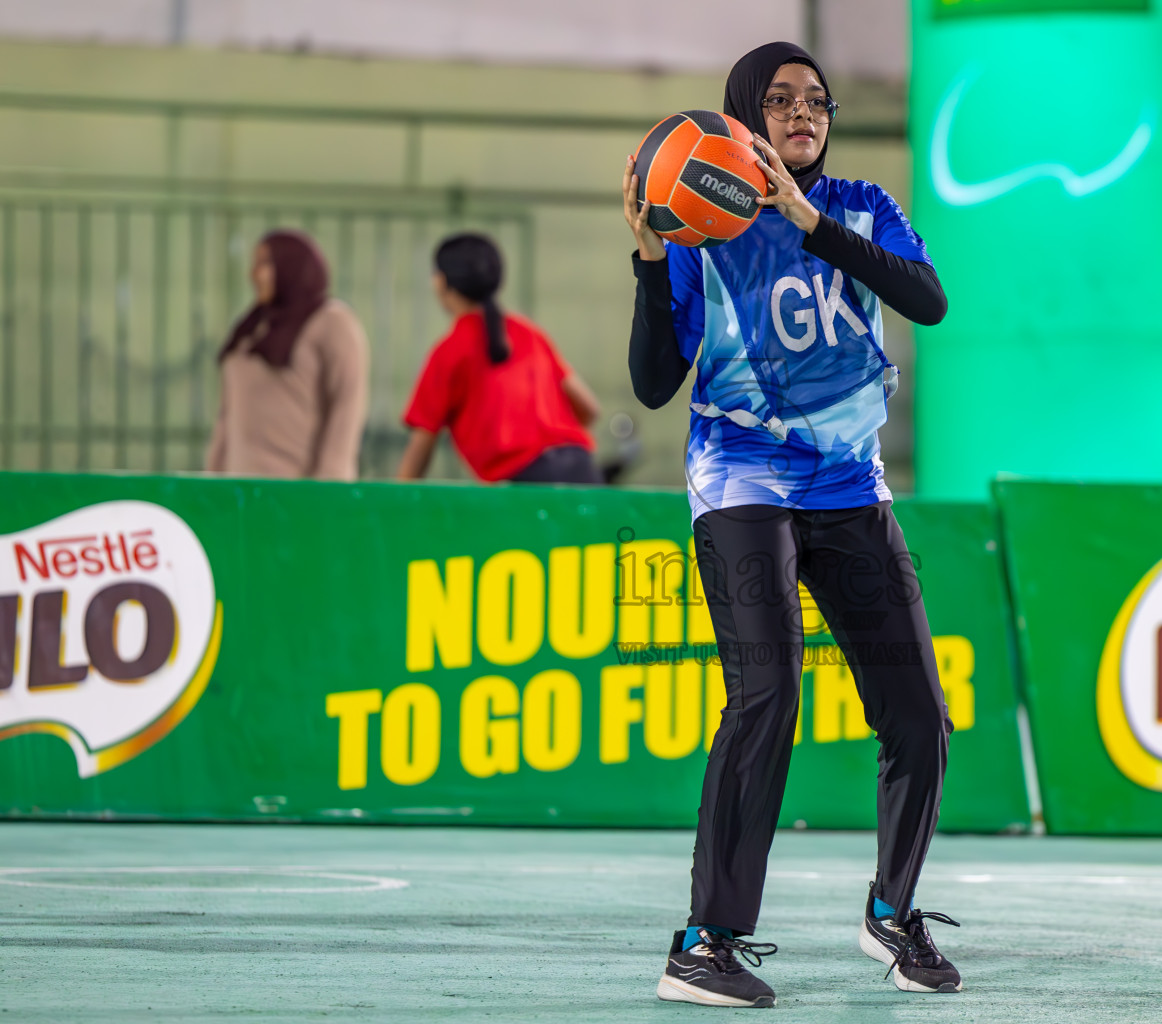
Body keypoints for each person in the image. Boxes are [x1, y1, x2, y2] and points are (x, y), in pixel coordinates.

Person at [624, 42, 958, 1008]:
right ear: (740, 116)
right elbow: (652, 385)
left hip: (851, 487)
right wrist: (650, 258)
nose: (802, 114)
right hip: (741, 483)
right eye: (779, 101)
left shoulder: (862, 207)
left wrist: (812, 224)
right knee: (766, 695)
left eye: (816, 101)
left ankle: (893, 915)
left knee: (919, 718)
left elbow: (926, 303)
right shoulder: (700, 230)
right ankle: (705, 939)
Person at [397, 233, 602, 483]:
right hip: (583, 469)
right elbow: (589, 409)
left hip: (526, 484)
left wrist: (393, 508)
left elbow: (421, 446)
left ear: (440, 282)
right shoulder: (530, 334)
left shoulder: (448, 352)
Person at [205, 230, 368, 480]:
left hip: (298, 492)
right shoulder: (252, 328)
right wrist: (211, 479)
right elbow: (227, 417)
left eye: (265, 263)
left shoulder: (331, 322)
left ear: (294, 265)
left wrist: (331, 487)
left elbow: (346, 406)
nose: (254, 274)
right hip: (238, 491)